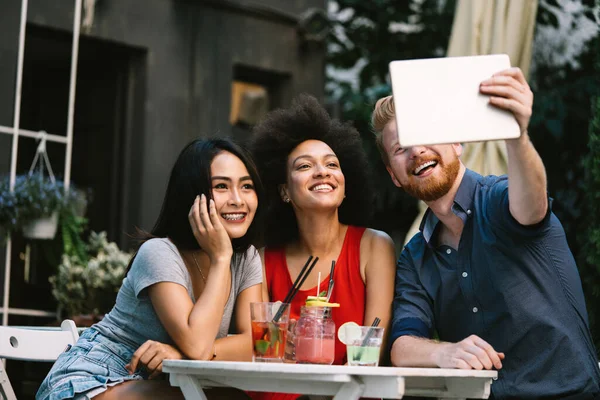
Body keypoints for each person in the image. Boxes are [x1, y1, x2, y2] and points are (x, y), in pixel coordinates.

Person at [372, 67, 600, 399]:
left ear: (456, 142)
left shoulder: (499, 199)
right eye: (400, 148)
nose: (416, 151)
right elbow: (402, 346)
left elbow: (532, 205)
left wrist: (515, 136)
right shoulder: (415, 257)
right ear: (394, 175)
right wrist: (442, 352)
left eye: (425, 134)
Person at [37, 138, 265, 400]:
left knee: (232, 398)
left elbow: (256, 343)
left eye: (247, 186)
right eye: (221, 186)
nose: (238, 199)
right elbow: (197, 346)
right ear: (193, 195)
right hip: (96, 377)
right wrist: (221, 257)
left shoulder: (246, 258)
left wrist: (179, 354)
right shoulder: (159, 252)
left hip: (164, 382)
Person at [247, 95, 396, 400]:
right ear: (285, 192)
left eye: (332, 164)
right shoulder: (263, 260)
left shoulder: (374, 247)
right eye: (305, 166)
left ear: (345, 183)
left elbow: (370, 359)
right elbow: (261, 355)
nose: (322, 171)